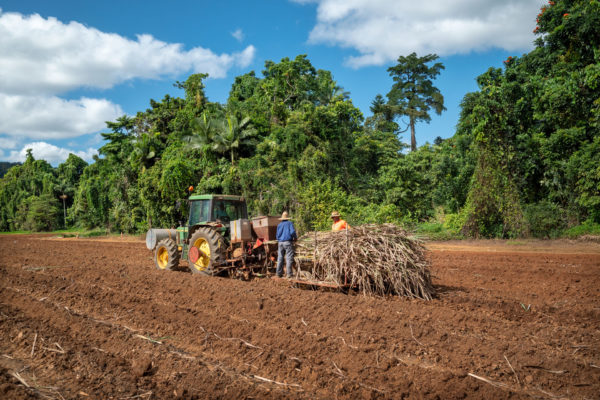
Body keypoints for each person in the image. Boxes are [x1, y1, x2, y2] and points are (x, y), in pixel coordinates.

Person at [275, 211, 297, 278]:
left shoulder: (279, 225)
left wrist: (279, 239)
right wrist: (295, 238)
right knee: (288, 258)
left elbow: (277, 235)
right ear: (287, 218)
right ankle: (289, 274)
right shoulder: (289, 223)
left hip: (280, 243)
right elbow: (292, 232)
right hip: (287, 242)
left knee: (280, 258)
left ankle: (278, 273)